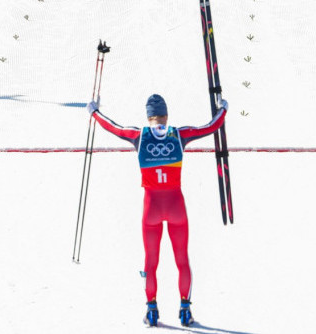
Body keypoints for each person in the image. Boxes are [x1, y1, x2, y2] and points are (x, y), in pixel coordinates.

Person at [87, 94, 228, 328]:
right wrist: (222, 109)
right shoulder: (179, 134)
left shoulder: (139, 135)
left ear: (148, 116)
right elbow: (210, 127)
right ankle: (185, 310)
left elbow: (114, 128)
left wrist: (94, 111)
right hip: (176, 206)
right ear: (166, 115)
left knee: (151, 262)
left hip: (151, 207)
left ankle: (151, 310)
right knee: (182, 259)